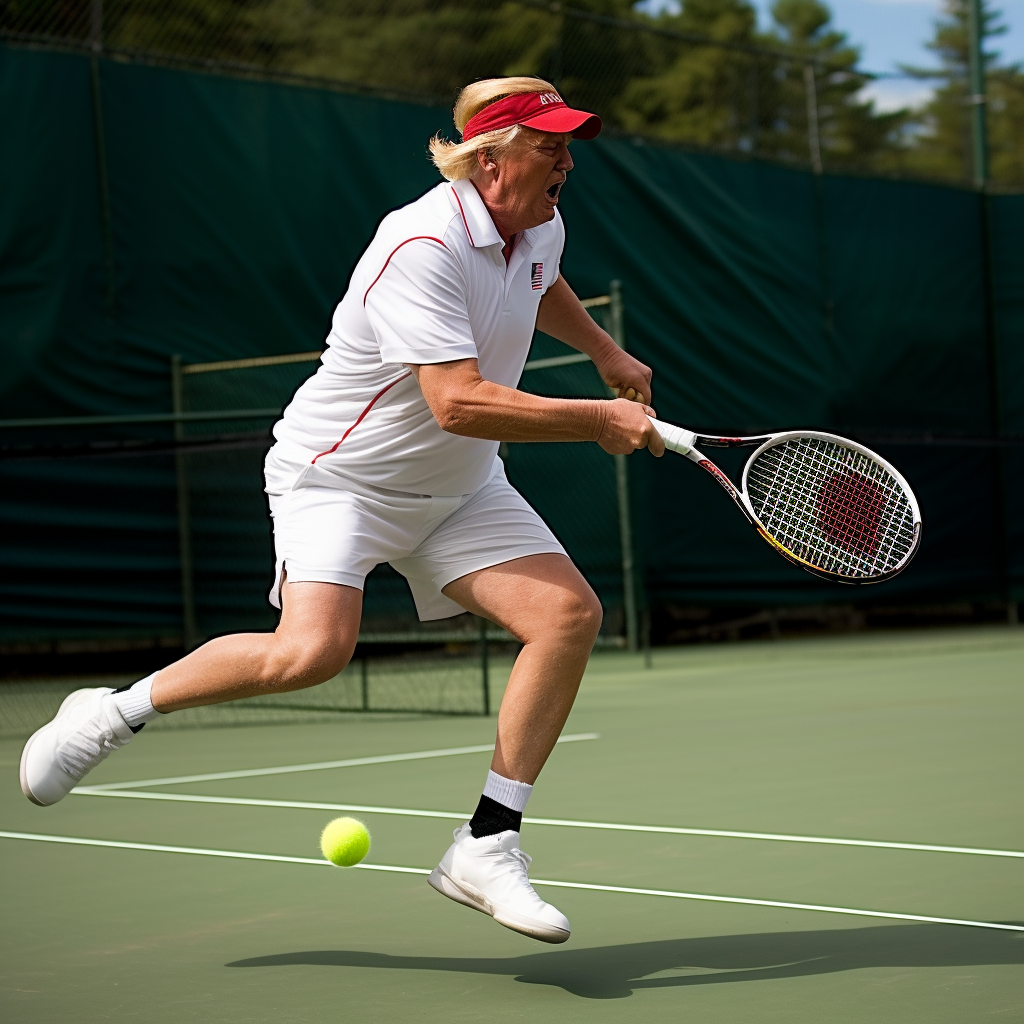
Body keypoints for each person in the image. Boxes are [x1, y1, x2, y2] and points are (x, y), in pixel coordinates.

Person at [19, 76, 664, 944]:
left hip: (462, 486)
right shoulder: (422, 243)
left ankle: (487, 843)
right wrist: (597, 420)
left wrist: (605, 351)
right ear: (488, 156)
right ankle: (112, 710)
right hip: (342, 480)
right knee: (312, 653)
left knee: (566, 615)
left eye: (566, 141)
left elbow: (542, 281)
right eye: (547, 142)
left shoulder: (538, 221)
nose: (566, 158)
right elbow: (459, 402)